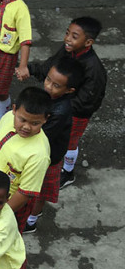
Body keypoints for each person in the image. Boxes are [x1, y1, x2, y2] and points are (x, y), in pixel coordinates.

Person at [24, 16, 107, 189]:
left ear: (88, 42)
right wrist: (30, 69)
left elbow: (87, 102)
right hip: (58, 105)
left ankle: (67, 172)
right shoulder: (68, 50)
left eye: (74, 36)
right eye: (67, 33)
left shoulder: (94, 69)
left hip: (76, 114)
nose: (67, 39)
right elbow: (51, 66)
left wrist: (61, 109)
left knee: (69, 142)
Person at [23, 57, 83, 232]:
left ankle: (31, 221)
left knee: (40, 193)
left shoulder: (61, 110)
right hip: (42, 154)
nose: (48, 86)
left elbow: (42, 136)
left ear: (69, 90)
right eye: (48, 80)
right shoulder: (48, 99)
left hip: (49, 159)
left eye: (56, 85)